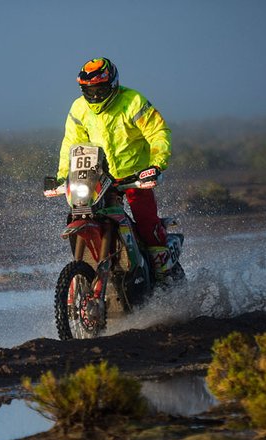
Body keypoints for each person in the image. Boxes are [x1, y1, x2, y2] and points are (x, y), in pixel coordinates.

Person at [52, 57, 175, 282]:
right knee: (80, 213)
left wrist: (157, 165)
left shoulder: (133, 101)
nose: (95, 95)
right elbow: (72, 144)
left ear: (113, 84)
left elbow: (159, 132)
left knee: (147, 222)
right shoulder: (79, 108)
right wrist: (62, 176)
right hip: (98, 178)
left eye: (100, 89)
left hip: (135, 177)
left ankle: (164, 276)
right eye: (89, 90)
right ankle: (92, 269)